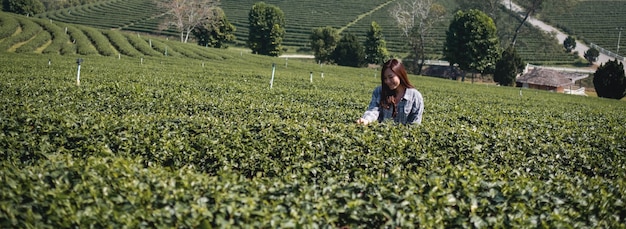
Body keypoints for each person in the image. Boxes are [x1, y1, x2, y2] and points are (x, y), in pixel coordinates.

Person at [357, 59, 424, 125]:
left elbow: (415, 123)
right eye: (385, 78)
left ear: (400, 75)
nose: (387, 81)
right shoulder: (379, 91)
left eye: (391, 77)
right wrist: (366, 120)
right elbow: (373, 110)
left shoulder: (415, 96)